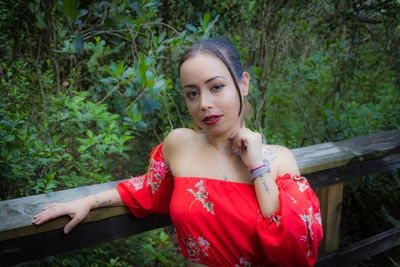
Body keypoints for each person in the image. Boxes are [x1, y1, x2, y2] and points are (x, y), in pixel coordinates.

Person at [33, 38, 323, 266]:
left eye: (216, 87)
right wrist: (90, 201)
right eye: (192, 93)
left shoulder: (279, 160)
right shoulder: (179, 144)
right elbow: (148, 189)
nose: (204, 104)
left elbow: (289, 247)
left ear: (243, 84)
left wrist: (257, 165)